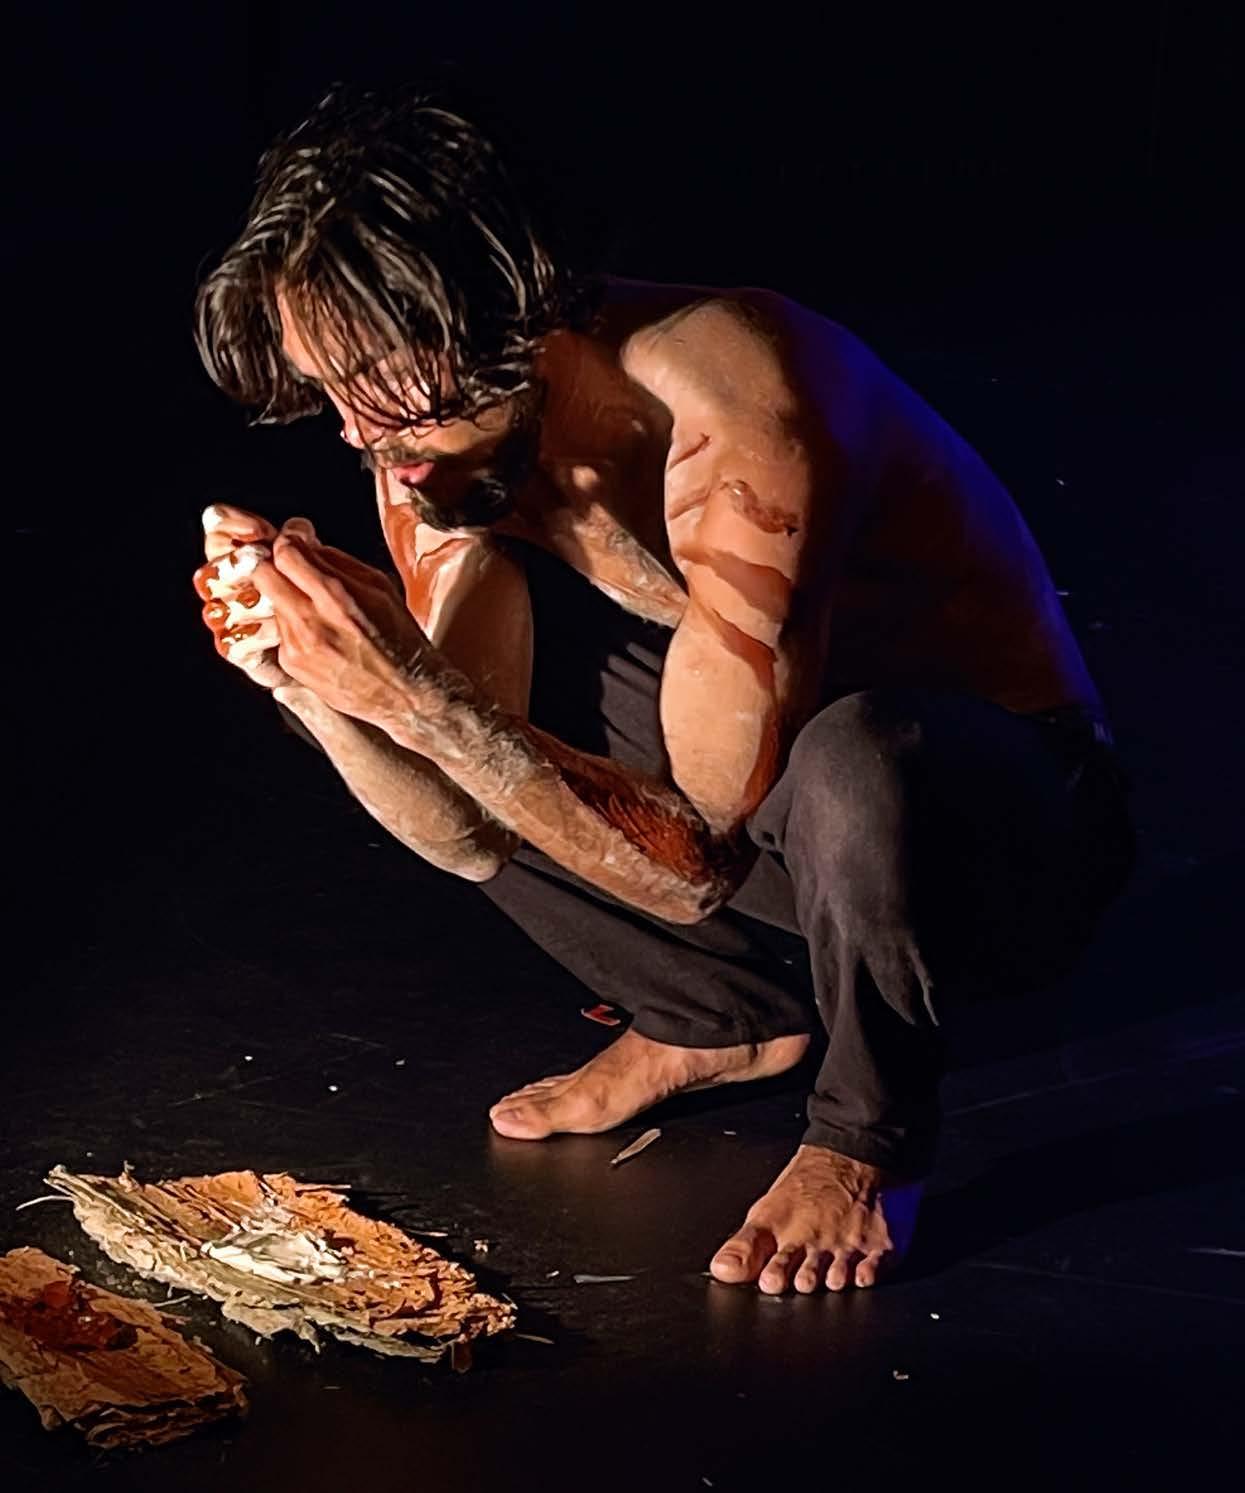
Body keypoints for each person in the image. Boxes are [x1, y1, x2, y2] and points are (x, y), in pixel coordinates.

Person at [192, 82, 1134, 1294]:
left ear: (501, 313)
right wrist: (326, 685)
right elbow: (466, 820)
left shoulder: (740, 405)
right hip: (787, 815)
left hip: (1000, 841)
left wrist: (416, 692)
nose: (356, 432)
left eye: (375, 373)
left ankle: (867, 1135)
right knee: (478, 722)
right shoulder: (423, 438)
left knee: (854, 749)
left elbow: (694, 859)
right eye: (329, 388)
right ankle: (718, 1018)